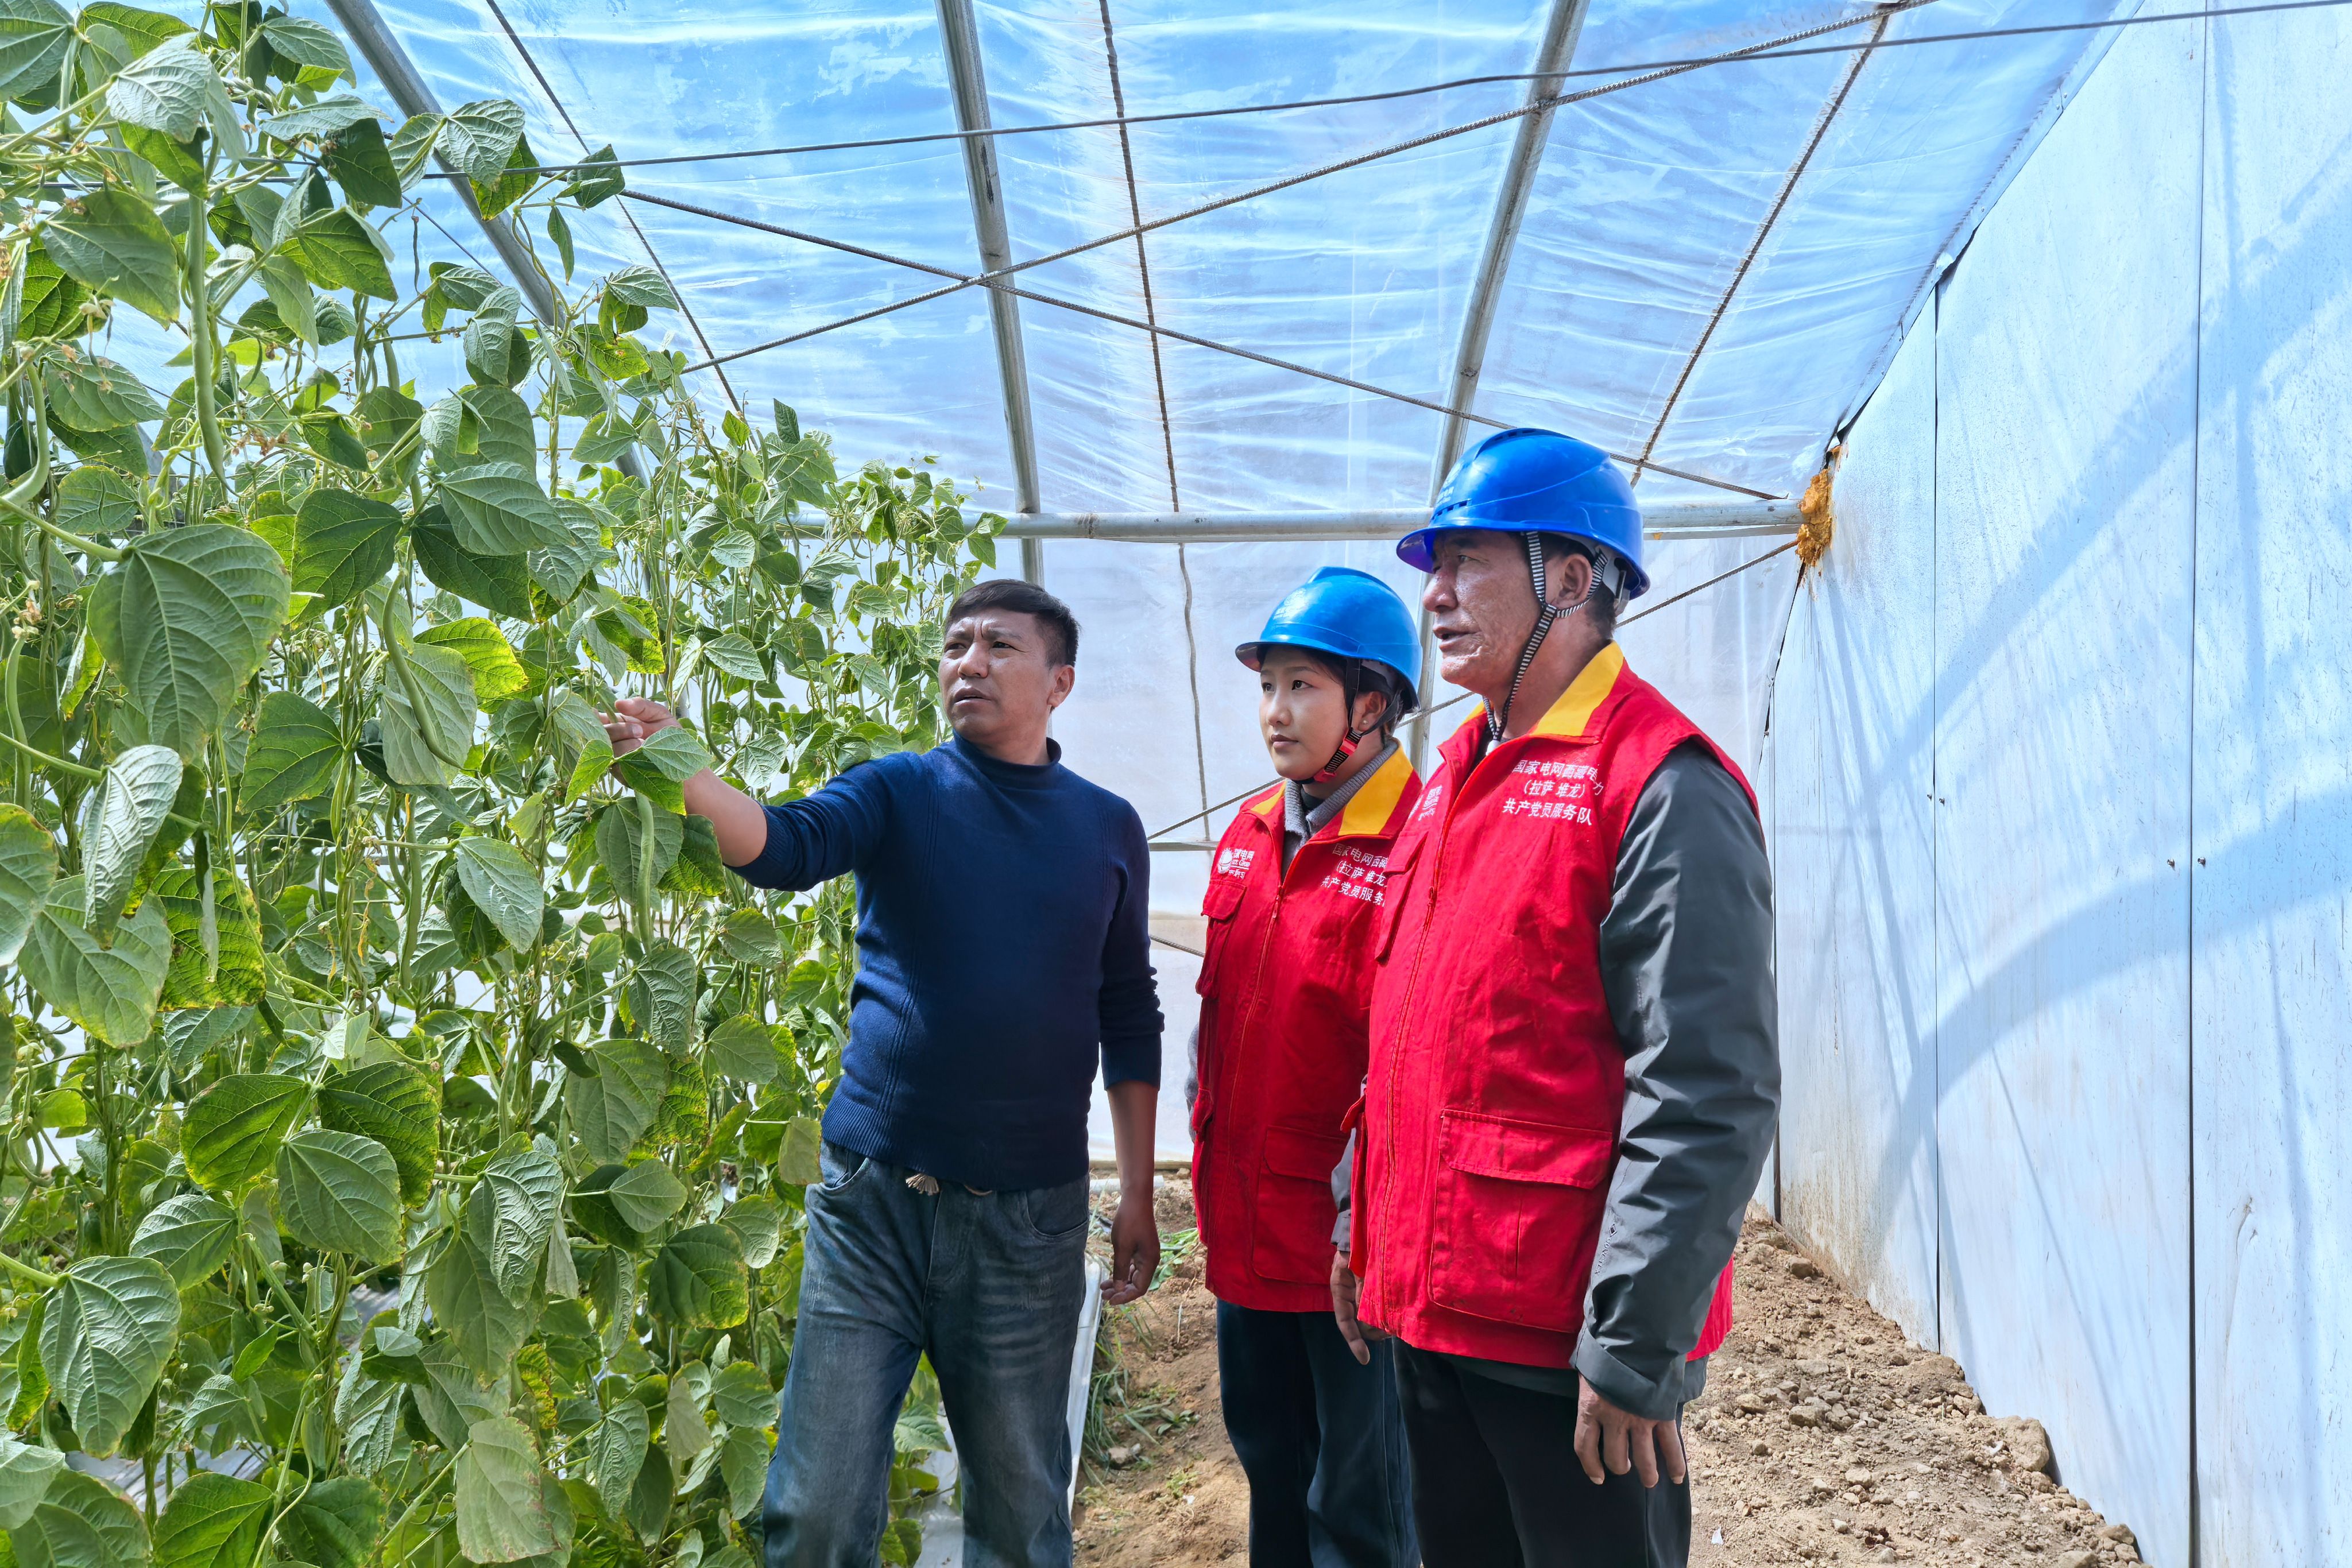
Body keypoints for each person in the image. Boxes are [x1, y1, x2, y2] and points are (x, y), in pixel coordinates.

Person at [602, 577, 1164, 1568]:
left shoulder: (1107, 827)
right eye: (956, 646)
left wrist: (1140, 1195)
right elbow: (782, 846)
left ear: (1059, 683)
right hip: (872, 1205)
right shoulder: (899, 789)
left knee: (1021, 1514)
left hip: (1028, 1220)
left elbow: (1127, 1010)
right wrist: (683, 768)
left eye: (999, 646)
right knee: (816, 1510)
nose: (969, 663)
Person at [1329, 428, 1779, 1566]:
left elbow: (1706, 1090)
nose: (1433, 595)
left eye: (1465, 562)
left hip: (1564, 1348)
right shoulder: (1451, 777)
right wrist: (1358, 1220)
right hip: (1433, 1313)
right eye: (1432, 567)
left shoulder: (1662, 783)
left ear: (1571, 579)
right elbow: (1411, 1030)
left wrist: (1632, 1348)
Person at [1191, 567, 1423, 1568]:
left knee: (1359, 1504)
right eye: (1267, 686)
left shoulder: (1422, 843)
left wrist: (1362, 1228)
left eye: (1303, 687)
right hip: (1246, 1236)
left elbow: (1409, 1067)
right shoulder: (1248, 835)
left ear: (1370, 706)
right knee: (1272, 1471)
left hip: (1347, 1257)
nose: (1275, 712)